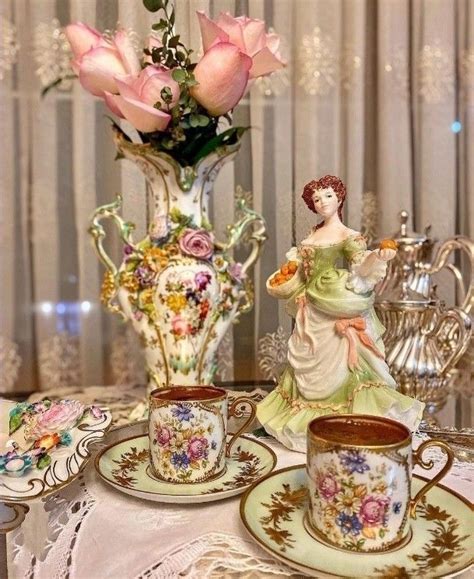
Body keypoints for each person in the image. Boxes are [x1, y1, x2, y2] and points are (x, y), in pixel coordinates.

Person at [256, 175, 424, 452]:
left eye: (328, 196)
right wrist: (289, 277)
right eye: (317, 199)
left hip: (334, 304)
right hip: (309, 307)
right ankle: (306, 421)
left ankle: (348, 421)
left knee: (347, 364)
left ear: (340, 198)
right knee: (307, 357)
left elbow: (360, 264)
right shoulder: (313, 233)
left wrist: (377, 257)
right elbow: (300, 269)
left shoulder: (348, 236)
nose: (322, 202)